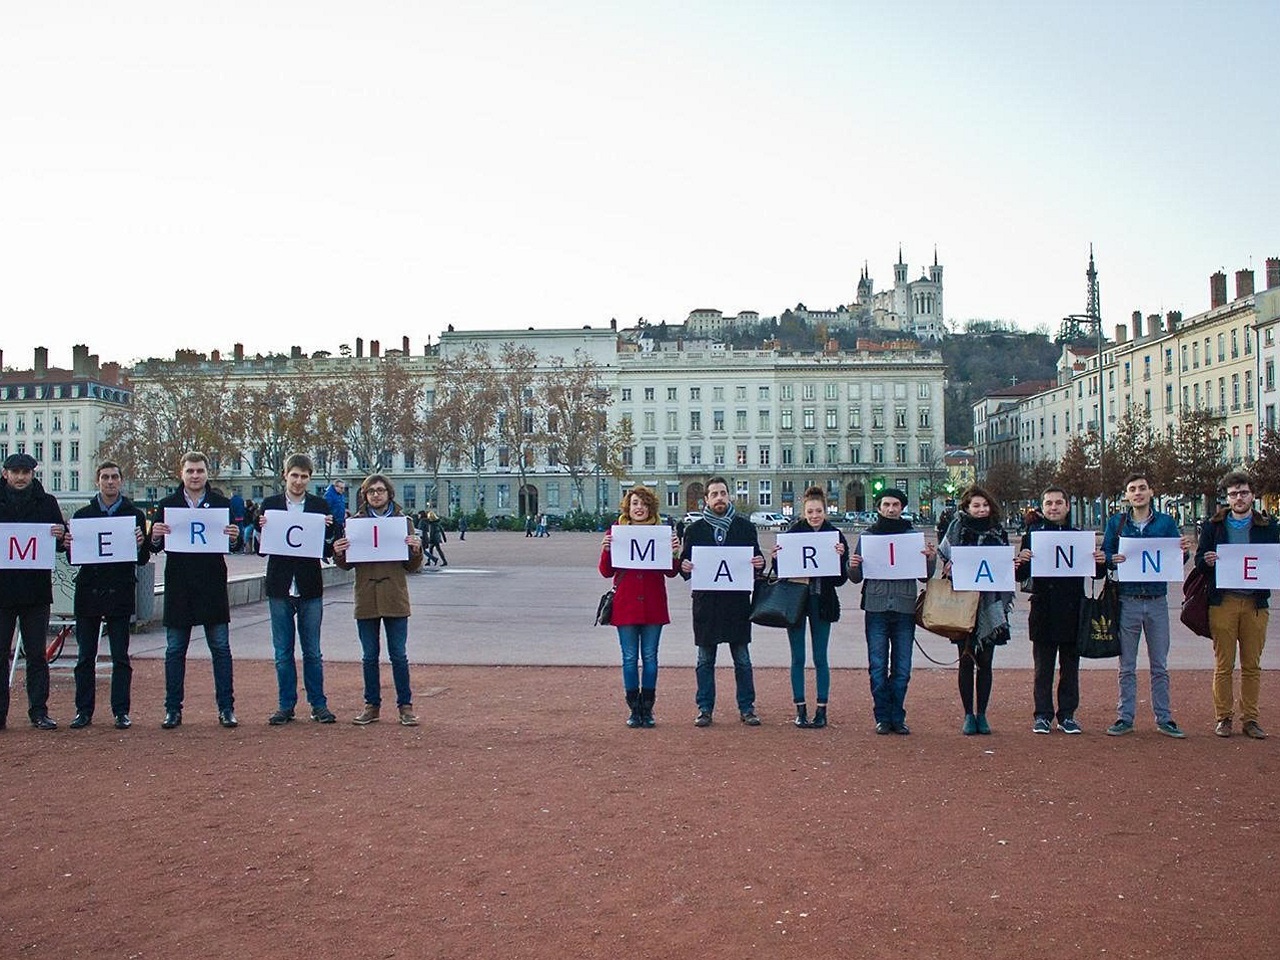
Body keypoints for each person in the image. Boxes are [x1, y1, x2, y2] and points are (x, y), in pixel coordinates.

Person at [149, 451, 241, 729]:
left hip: (212, 584)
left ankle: (226, 708)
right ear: (182, 474)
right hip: (179, 585)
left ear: (206, 473)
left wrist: (235, 540)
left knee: (221, 649)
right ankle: (172, 709)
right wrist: (154, 536)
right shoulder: (167, 505)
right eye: (190, 471)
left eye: (199, 471)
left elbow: (231, 545)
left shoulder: (221, 504)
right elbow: (154, 547)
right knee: (175, 650)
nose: (195, 475)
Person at [1102, 472, 1192, 738]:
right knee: (1126, 665)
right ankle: (1125, 717)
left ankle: (1164, 718)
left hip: (1156, 600)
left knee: (1159, 664)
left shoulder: (1165, 523)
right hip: (1127, 599)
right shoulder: (1117, 523)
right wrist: (1111, 559)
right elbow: (1105, 554)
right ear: (1127, 496)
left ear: (1151, 492)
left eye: (1142, 488)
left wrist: (1183, 551)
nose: (1138, 492)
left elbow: (1175, 558)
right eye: (1133, 489)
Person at [333, 474, 425, 726]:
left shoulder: (403, 522)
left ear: (389, 493)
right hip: (366, 596)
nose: (376, 494)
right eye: (371, 491)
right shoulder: (354, 523)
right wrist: (339, 552)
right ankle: (371, 705)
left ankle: (405, 706)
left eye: (380, 490)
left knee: (398, 655)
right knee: (369, 656)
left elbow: (412, 566)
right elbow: (345, 564)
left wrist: (417, 549)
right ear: (365, 495)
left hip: (395, 595)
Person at [65, 461, 149, 730]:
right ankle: (83, 710)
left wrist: (140, 544)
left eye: (114, 477)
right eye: (105, 477)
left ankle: (121, 711)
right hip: (89, 591)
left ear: (121, 481)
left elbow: (143, 557)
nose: (110, 482)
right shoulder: (82, 515)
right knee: (85, 656)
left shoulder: (134, 514)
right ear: (97, 481)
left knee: (120, 656)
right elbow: (72, 557)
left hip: (120, 590)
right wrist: (68, 544)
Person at [1015, 486, 1106, 735]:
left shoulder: (1079, 536)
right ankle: (1042, 715)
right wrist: (1021, 561)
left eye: (1058, 503)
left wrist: (1100, 562)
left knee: (1070, 667)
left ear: (1067, 506)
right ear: (1042, 507)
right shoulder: (1031, 536)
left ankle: (1067, 715)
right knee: (1042, 668)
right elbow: (1020, 575)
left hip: (1072, 608)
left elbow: (1096, 573)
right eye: (1048, 504)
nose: (1053, 507)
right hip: (1044, 608)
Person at [1195, 470, 1278, 739]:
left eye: (1243, 493)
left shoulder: (1268, 526)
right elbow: (1198, 562)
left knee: (1252, 664)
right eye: (1233, 494)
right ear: (1226, 497)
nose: (1239, 498)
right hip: (1224, 601)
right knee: (1224, 664)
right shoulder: (1213, 526)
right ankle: (1224, 718)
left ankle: (1251, 719)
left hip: (1255, 603)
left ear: (1252, 495)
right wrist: (1205, 560)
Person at [678, 476, 766, 727]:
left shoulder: (745, 528)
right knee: (705, 660)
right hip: (706, 605)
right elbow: (685, 566)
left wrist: (759, 564)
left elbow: (757, 561)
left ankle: (747, 707)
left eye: (723, 493)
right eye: (714, 494)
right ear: (706, 499)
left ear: (729, 497)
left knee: (743, 660)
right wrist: (684, 566)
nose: (719, 498)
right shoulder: (694, 530)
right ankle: (705, 708)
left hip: (737, 604)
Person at [258, 454, 337, 726]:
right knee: (283, 651)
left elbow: (327, 550)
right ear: (285, 475)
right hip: (280, 585)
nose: (299, 481)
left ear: (309, 478)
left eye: (304, 476)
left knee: (312, 651)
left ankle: (318, 704)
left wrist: (328, 532)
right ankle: (285, 705)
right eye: (295, 475)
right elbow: (261, 551)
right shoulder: (270, 506)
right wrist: (260, 531)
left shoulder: (319, 505)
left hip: (309, 585)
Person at [850, 487, 937, 735]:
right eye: (886, 505)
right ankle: (882, 716)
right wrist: (853, 565)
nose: (890, 509)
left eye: (895, 505)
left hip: (904, 607)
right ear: (878, 507)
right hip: (876, 606)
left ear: (902, 508)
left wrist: (930, 559)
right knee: (877, 666)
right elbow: (855, 577)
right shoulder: (867, 536)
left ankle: (897, 715)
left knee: (902, 668)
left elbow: (925, 576)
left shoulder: (912, 535)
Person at [599, 485, 680, 727]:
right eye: (635, 503)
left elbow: (671, 572)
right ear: (628, 507)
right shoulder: (616, 532)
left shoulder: (662, 533)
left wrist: (675, 553)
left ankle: (648, 707)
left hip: (653, 604)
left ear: (650, 508)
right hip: (626, 605)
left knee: (650, 657)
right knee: (629, 657)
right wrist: (606, 550)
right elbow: (606, 571)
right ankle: (634, 708)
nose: (639, 508)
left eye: (643, 504)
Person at [0, 452, 68, 730]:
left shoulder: (48, 503)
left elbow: (62, 544)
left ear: (32, 474)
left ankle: (39, 711)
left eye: (25, 472)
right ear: (5, 473)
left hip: (36, 592)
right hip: (2, 592)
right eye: (15, 472)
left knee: (37, 655)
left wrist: (61, 534)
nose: (20, 477)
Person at [938, 485, 1013, 735]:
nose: (981, 510)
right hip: (963, 603)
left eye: (984, 505)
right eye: (976, 506)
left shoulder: (999, 532)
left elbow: (1003, 565)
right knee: (966, 659)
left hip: (990, 602)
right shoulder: (957, 528)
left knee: (986, 661)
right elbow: (945, 555)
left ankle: (982, 713)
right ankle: (968, 714)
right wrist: (948, 567)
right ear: (967, 508)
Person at [771, 486, 848, 729]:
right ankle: (800, 708)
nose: (815, 515)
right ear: (803, 511)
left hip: (821, 601)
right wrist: (775, 558)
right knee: (798, 657)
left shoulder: (835, 535)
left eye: (819, 511)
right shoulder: (793, 533)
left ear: (825, 511)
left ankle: (821, 709)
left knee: (820, 656)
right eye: (810, 511)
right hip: (796, 601)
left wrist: (840, 558)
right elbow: (782, 572)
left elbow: (840, 579)